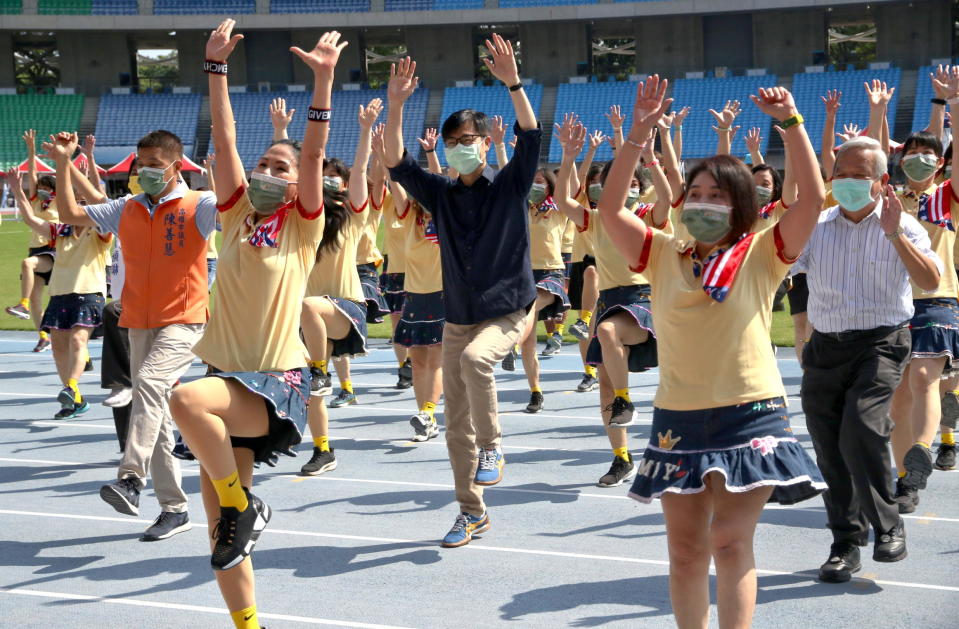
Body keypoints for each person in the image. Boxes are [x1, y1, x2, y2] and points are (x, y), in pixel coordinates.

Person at [600, 77, 827, 625]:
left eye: (717, 196)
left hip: (750, 411)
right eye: (696, 195)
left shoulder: (763, 252)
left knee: (728, 542)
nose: (703, 203)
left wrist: (792, 123)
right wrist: (639, 132)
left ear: (741, 206)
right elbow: (610, 210)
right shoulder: (661, 253)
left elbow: (814, 200)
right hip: (678, 415)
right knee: (683, 553)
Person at [167, 22, 339, 629]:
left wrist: (323, 81)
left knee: (183, 397)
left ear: (297, 184)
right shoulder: (237, 212)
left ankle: (245, 505)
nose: (268, 169)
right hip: (227, 383)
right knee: (220, 535)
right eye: (264, 162)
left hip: (272, 381)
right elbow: (224, 136)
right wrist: (214, 67)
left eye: (279, 166)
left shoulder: (302, 225)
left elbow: (313, 152)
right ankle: (248, 623)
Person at [384, 34, 540, 548]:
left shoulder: (510, 185)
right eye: (453, 142)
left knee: (477, 362)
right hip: (459, 316)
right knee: (454, 429)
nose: (460, 148)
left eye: (468, 139)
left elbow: (531, 135)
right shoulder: (442, 193)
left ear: (484, 144)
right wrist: (396, 105)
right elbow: (396, 161)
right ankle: (470, 512)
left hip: (508, 312)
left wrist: (512, 83)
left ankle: (494, 447)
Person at [52, 123, 218, 542]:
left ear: (176, 167)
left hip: (184, 320)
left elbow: (236, 206)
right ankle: (174, 508)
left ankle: (130, 478)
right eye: (140, 164)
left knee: (148, 383)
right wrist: (61, 162)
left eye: (154, 165)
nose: (145, 171)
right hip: (138, 322)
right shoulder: (126, 207)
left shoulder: (200, 204)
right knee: (156, 411)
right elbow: (70, 215)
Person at [798, 135, 942, 584]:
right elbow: (775, 267)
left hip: (881, 341)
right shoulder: (816, 225)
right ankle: (845, 542)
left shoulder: (902, 224)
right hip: (826, 346)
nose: (848, 184)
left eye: (859, 177)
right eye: (841, 175)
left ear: (882, 181)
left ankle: (889, 525)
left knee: (863, 424)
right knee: (827, 444)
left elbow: (930, 280)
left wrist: (895, 233)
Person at [554, 118, 670, 488]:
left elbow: (668, 199)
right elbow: (561, 200)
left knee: (606, 332)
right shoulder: (594, 219)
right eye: (611, 182)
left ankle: (627, 402)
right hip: (609, 299)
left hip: (646, 298)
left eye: (633, 183)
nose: (624, 187)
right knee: (603, 378)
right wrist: (571, 156)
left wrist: (651, 159)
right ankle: (622, 458)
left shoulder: (646, 216)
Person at [298, 98, 380, 475]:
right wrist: (283, 132)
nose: (327, 180)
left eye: (335, 176)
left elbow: (362, 169)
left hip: (346, 306)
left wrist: (365, 131)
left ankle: (321, 370)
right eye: (323, 174)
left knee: (310, 306)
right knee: (313, 392)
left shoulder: (352, 217)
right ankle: (322, 449)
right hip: (313, 317)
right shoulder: (303, 221)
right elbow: (297, 169)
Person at [887, 127, 959, 513]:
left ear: (941, 161)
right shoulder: (892, 200)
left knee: (923, 379)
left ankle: (922, 450)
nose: (918, 158)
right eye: (910, 152)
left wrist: (954, 104)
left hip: (938, 298)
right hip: (894, 303)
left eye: (927, 154)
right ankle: (905, 480)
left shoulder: (947, 196)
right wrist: (880, 113)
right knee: (898, 402)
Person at [7, 168, 111, 418]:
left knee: (78, 341)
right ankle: (73, 400)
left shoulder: (99, 231)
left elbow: (102, 203)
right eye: (78, 202)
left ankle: (72, 387)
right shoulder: (61, 231)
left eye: (86, 203)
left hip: (89, 293)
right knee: (57, 348)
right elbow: (32, 220)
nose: (83, 207)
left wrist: (74, 172)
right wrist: (18, 191)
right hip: (60, 293)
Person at [519, 167, 570, 413]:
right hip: (525, 273)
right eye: (532, 182)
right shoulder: (523, 209)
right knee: (527, 345)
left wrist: (570, 155)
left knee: (534, 303)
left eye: (539, 182)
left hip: (551, 271)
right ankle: (536, 392)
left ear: (550, 186)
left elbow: (569, 188)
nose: (534, 186)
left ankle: (509, 341)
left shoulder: (559, 210)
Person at [6, 129, 58, 353]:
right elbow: (33, 172)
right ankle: (44, 335)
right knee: (38, 299)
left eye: (48, 189)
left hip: (54, 251)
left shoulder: (61, 202)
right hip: (35, 250)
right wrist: (31, 148)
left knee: (29, 265)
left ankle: (23, 305)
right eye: (42, 188)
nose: (44, 191)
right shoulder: (36, 201)